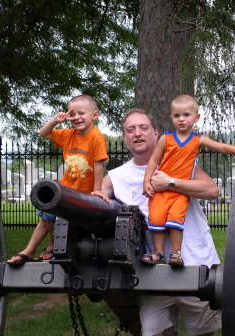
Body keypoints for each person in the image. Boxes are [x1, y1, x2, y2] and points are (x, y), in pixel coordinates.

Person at [93, 108, 221, 336]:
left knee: (202, 333)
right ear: (125, 138)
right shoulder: (116, 177)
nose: (137, 133)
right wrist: (98, 195)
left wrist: (171, 182)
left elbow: (212, 190)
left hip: (194, 264)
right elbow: (99, 200)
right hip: (151, 272)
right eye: (130, 130)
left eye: (143, 128)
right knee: (155, 332)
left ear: (156, 133)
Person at [142, 95, 235, 267]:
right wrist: (146, 182)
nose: (182, 119)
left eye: (186, 115)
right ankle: (158, 252)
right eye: (177, 116)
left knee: (176, 220)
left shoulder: (197, 140)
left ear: (196, 117)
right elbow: (154, 160)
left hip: (179, 191)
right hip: (161, 191)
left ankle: (176, 254)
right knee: (156, 218)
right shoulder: (166, 138)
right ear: (171, 117)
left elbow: (221, 147)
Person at [7, 94, 108, 266]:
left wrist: (97, 190)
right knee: (47, 214)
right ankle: (30, 250)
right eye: (72, 114)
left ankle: (52, 244)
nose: (76, 117)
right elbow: (43, 133)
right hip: (67, 187)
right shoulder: (68, 135)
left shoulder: (96, 137)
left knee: (55, 217)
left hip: (83, 192)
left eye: (81, 113)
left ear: (95, 115)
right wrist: (55, 120)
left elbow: (99, 163)